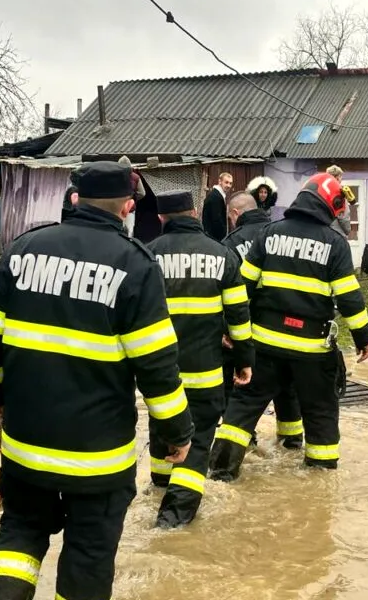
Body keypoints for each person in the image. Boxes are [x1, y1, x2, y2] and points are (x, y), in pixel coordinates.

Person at [0, 160, 194, 600]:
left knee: (18, 543)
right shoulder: (136, 266)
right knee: (88, 560)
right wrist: (176, 433)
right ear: (128, 207)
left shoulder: (22, 251)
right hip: (99, 461)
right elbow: (157, 367)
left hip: (26, 448)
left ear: (74, 199)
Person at [209, 172, 368, 481]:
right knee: (321, 411)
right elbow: (350, 298)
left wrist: (227, 328)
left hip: (264, 346)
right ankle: (319, 483)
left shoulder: (268, 234)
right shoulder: (335, 243)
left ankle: (221, 473)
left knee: (242, 409)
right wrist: (364, 337)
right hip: (312, 350)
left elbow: (240, 288)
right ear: (330, 205)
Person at [144, 190, 253, 528]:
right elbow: (239, 317)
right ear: (195, 212)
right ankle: (174, 521)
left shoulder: (146, 256)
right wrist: (244, 360)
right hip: (206, 373)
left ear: (162, 218)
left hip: (159, 375)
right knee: (200, 439)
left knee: (162, 427)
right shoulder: (222, 255)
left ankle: (159, 489)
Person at [220, 191, 304, 450]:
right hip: (286, 329)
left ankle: (245, 442)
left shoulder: (230, 244)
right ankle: (291, 442)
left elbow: (229, 294)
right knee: (287, 387)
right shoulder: (279, 236)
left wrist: (226, 330)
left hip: (248, 331)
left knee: (241, 392)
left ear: (235, 214)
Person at [201, 172, 232, 240]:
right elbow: (216, 220)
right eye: (226, 182)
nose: (229, 185)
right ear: (220, 181)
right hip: (214, 238)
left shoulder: (217, 195)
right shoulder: (215, 197)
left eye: (230, 183)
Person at [325, 165, 353, 238]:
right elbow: (343, 216)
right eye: (341, 177)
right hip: (338, 235)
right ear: (337, 177)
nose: (341, 179)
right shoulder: (339, 193)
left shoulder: (323, 192)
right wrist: (348, 230)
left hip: (324, 235)